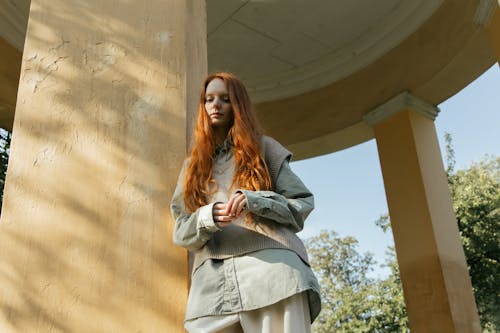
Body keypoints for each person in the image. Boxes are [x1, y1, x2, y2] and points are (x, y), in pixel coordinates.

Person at [170, 72, 321, 333]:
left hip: (274, 275)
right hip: (212, 286)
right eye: (209, 99)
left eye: (225, 99)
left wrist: (253, 200)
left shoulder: (265, 148)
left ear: (238, 106)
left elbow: (301, 204)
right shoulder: (191, 168)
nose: (215, 105)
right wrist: (209, 217)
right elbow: (181, 232)